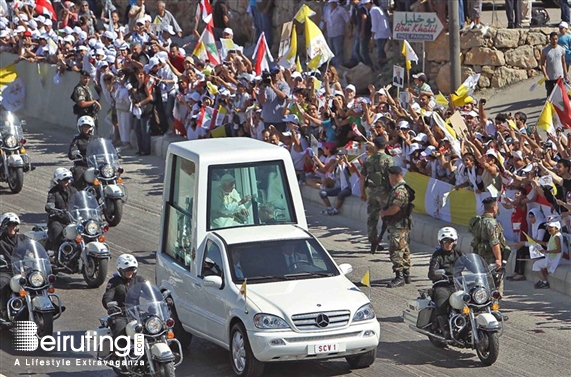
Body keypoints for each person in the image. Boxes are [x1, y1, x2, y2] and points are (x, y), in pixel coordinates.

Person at [102, 254, 146, 345]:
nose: (130, 272)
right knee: (120, 329)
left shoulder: (139, 280)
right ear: (120, 270)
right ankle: (118, 353)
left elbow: (150, 292)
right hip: (120, 314)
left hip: (137, 314)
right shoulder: (114, 282)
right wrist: (110, 306)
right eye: (127, 270)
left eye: (132, 269)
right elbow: (107, 297)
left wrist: (163, 298)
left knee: (153, 326)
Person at [360, 136, 394, 253]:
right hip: (385, 192)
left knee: (372, 218)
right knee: (390, 217)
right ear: (385, 145)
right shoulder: (388, 159)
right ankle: (393, 242)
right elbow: (392, 177)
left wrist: (362, 193)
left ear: (374, 145)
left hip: (372, 192)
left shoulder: (368, 160)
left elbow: (362, 177)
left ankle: (373, 240)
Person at [428, 227, 463, 339]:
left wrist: (479, 272)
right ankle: (445, 329)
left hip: (457, 284)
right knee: (442, 301)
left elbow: (470, 263)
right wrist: (437, 274)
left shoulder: (458, 253)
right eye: (445, 242)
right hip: (442, 284)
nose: (448, 244)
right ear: (441, 242)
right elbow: (431, 273)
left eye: (450, 241)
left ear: (454, 242)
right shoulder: (437, 255)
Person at [381, 165, 412, 288]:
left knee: (396, 249)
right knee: (403, 248)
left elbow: (395, 208)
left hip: (399, 224)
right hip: (401, 223)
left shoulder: (400, 190)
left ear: (395, 175)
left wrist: (384, 213)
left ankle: (399, 277)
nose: (389, 178)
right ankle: (406, 274)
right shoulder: (400, 188)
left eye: (390, 175)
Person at [0, 213, 27, 319]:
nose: (13, 227)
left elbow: (33, 248)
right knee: (2, 283)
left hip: (22, 271)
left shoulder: (22, 238)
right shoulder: (1, 240)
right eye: (10, 224)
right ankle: (3, 311)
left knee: (40, 281)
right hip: (6, 271)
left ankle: (48, 305)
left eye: (15, 224)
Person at [45, 168, 78, 257]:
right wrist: (53, 209)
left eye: (68, 180)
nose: (66, 182)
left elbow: (81, 201)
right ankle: (55, 253)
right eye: (64, 180)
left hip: (73, 220)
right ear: (58, 181)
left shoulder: (74, 191)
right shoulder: (53, 192)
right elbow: (49, 204)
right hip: (58, 221)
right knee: (57, 231)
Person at [532, 219, 564, 289]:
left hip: (552, 259)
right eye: (548, 227)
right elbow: (548, 244)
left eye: (551, 227)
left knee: (536, 265)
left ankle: (544, 282)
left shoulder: (557, 237)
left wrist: (546, 252)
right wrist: (538, 241)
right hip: (550, 257)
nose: (549, 229)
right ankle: (542, 280)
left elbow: (559, 250)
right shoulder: (553, 236)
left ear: (556, 228)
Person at [259, 66, 290, 133]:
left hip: (280, 120)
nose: (275, 75)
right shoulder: (265, 86)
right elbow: (262, 101)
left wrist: (272, 86)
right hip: (268, 120)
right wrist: (262, 89)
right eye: (273, 73)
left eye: (277, 73)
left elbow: (283, 96)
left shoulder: (283, 85)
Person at [69, 115, 95, 190]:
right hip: (82, 165)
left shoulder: (95, 139)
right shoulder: (76, 140)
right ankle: (79, 193)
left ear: (92, 127)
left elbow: (101, 148)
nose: (86, 129)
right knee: (78, 174)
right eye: (84, 127)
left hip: (94, 164)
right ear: (80, 128)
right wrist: (75, 154)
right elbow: (72, 152)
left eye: (88, 126)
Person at [540, 32, 568, 97]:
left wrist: (566, 74)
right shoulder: (545, 51)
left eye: (556, 39)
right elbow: (542, 64)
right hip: (550, 78)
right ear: (550, 39)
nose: (555, 41)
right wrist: (545, 75)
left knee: (561, 96)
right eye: (553, 39)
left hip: (560, 77)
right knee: (550, 97)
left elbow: (563, 63)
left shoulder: (561, 50)